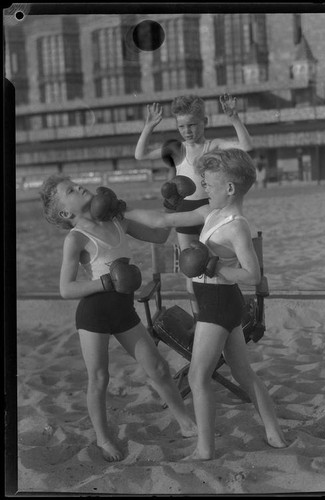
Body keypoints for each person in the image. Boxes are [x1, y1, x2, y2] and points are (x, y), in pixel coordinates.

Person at [126, 148, 287, 460]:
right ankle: (274, 433)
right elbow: (163, 219)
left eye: (209, 186)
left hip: (217, 305)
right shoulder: (209, 213)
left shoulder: (237, 225)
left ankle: (205, 449)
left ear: (229, 189)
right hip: (220, 304)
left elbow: (253, 275)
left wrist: (216, 268)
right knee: (244, 374)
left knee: (196, 377)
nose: (204, 191)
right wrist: (124, 212)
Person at [39, 176, 196, 462]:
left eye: (76, 183)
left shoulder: (117, 221)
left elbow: (160, 236)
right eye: (70, 191)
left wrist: (171, 206)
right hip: (94, 314)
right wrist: (106, 282)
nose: (79, 187)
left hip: (124, 310)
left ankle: (186, 423)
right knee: (99, 377)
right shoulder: (76, 238)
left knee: (158, 368)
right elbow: (65, 289)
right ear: (65, 213)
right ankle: (102, 438)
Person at [134, 94, 253, 317]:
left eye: (192, 125)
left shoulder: (214, 146)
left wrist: (234, 118)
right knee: (190, 270)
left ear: (205, 122)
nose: (187, 131)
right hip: (186, 212)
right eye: (181, 126)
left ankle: (219, 309)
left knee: (217, 263)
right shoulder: (177, 150)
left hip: (212, 211)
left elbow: (246, 146)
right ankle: (199, 316)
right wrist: (149, 126)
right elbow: (140, 155)